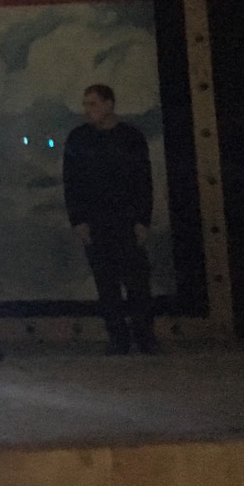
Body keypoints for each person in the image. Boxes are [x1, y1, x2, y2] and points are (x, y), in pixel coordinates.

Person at [62, 84, 159, 355]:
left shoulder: (131, 138)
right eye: (85, 104)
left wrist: (142, 220)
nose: (87, 110)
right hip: (95, 221)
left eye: (93, 104)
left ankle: (144, 335)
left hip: (125, 219)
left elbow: (143, 181)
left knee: (137, 281)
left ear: (109, 104)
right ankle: (118, 337)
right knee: (106, 283)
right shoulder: (78, 139)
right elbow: (71, 183)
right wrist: (78, 220)